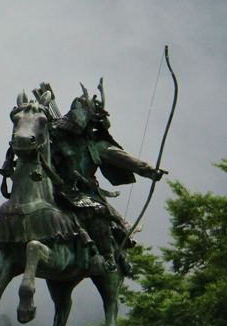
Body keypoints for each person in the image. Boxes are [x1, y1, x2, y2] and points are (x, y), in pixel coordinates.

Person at [47, 80, 165, 274]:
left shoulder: (97, 147)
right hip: (55, 190)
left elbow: (126, 160)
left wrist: (149, 170)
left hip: (83, 195)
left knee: (97, 213)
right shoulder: (57, 140)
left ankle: (108, 257)